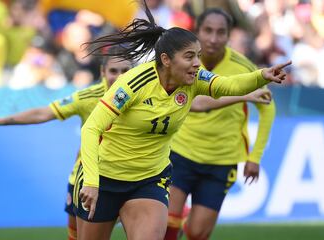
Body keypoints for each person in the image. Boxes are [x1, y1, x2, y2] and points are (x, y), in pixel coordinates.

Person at [75, 1, 290, 240]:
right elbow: (91, 128)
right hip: (106, 177)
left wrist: (262, 75)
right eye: (189, 57)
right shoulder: (134, 83)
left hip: (149, 179)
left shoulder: (195, 77)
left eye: (197, 56)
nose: (197, 63)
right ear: (166, 60)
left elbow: (226, 85)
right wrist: (92, 181)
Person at [0, 46, 133, 240]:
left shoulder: (143, 97)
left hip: (130, 178)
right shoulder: (87, 97)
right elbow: (44, 112)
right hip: (86, 180)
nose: (119, 76)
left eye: (125, 71)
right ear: (102, 72)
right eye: (113, 71)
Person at [164, 8, 277, 240]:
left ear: (229, 36)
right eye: (207, 31)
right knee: (166, 224)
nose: (213, 39)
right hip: (179, 151)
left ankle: (188, 218)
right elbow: (197, 102)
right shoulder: (183, 61)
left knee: (197, 233)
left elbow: (268, 107)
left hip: (221, 160)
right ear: (197, 31)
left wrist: (255, 157)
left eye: (220, 32)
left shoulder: (243, 66)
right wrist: (244, 96)